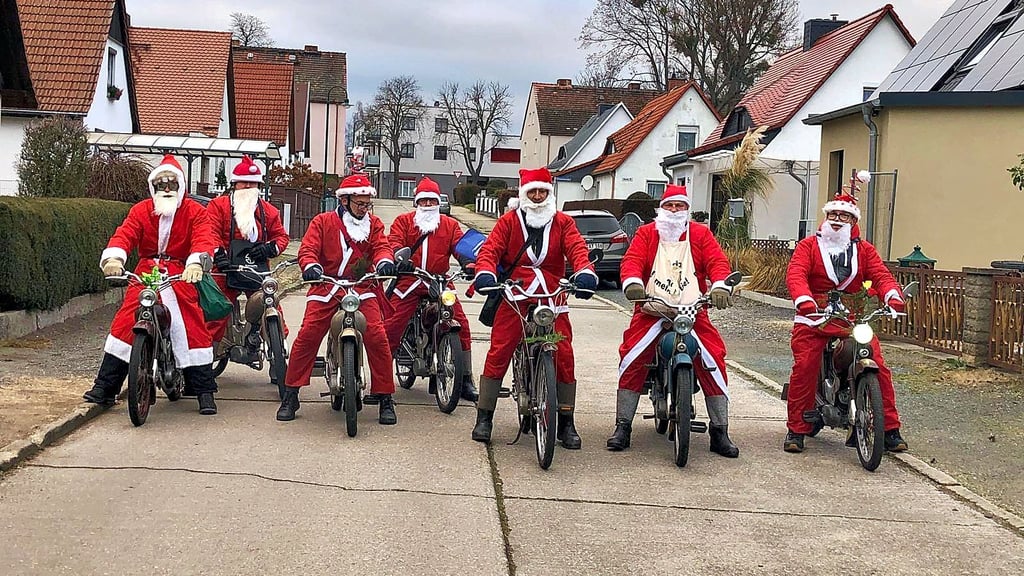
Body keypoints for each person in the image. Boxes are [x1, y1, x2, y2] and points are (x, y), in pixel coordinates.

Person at [470, 167, 599, 448]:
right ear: (524, 194)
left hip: (552, 295)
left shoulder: (563, 222)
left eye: (543, 191)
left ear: (550, 193)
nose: (538, 197)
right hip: (516, 294)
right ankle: (485, 416)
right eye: (533, 192)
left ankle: (566, 421)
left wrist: (585, 272)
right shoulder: (508, 222)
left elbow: (577, 249)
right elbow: (490, 251)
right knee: (501, 349)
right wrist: (485, 273)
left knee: (564, 354)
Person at [607, 184, 739, 457]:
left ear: (687, 210)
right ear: (661, 209)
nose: (675, 210)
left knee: (713, 357)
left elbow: (717, 263)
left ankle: (719, 430)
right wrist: (632, 283)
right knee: (632, 355)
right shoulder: (646, 233)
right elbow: (632, 261)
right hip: (653, 308)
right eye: (670, 205)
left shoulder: (701, 234)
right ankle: (623, 425)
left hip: (692, 311)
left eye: (680, 206)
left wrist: (719, 286)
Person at [83, 154, 220, 414]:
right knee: (125, 320)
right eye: (161, 184)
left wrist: (195, 263)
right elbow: (125, 233)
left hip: (179, 272)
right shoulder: (141, 210)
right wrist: (114, 257)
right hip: (147, 271)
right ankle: (105, 388)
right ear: (153, 187)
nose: (166, 189)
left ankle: (204, 391)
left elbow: (204, 239)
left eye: (172, 184)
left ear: (181, 186)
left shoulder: (195, 212)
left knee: (190, 323)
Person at [783, 187, 908, 453]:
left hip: (851, 318)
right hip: (814, 317)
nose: (838, 219)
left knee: (878, 363)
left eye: (845, 216)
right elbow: (796, 273)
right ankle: (797, 428)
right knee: (805, 365)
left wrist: (893, 296)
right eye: (833, 214)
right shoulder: (808, 246)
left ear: (854, 222)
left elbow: (881, 275)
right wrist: (804, 299)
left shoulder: (864, 250)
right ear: (826, 218)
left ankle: (889, 429)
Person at [276, 172, 399, 424]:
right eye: (359, 204)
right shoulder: (322, 222)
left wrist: (385, 262)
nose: (364, 209)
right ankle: (291, 394)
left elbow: (382, 247)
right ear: (344, 201)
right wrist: (310, 265)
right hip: (326, 286)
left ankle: (385, 397)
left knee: (377, 336)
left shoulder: (373, 224)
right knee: (308, 334)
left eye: (367, 204)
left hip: (362, 287)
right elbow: (308, 249)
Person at [384, 176, 479, 402]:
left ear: (438, 203)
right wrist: (399, 258)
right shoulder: (404, 221)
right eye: (423, 201)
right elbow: (394, 241)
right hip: (409, 280)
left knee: (462, 324)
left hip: (439, 281)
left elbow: (460, 246)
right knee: (391, 325)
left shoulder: (449, 225)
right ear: (417, 202)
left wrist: (468, 262)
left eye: (432, 201)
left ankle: (465, 378)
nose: (427, 205)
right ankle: (382, 380)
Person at [206, 155, 290, 351]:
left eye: (253, 184)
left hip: (256, 269)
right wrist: (219, 254)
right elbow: (209, 231)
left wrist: (271, 248)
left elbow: (281, 236)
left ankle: (277, 350)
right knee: (215, 311)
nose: (248, 188)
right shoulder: (218, 206)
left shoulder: (269, 211)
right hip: (225, 269)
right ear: (234, 184)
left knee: (271, 305)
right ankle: (204, 359)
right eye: (244, 183)